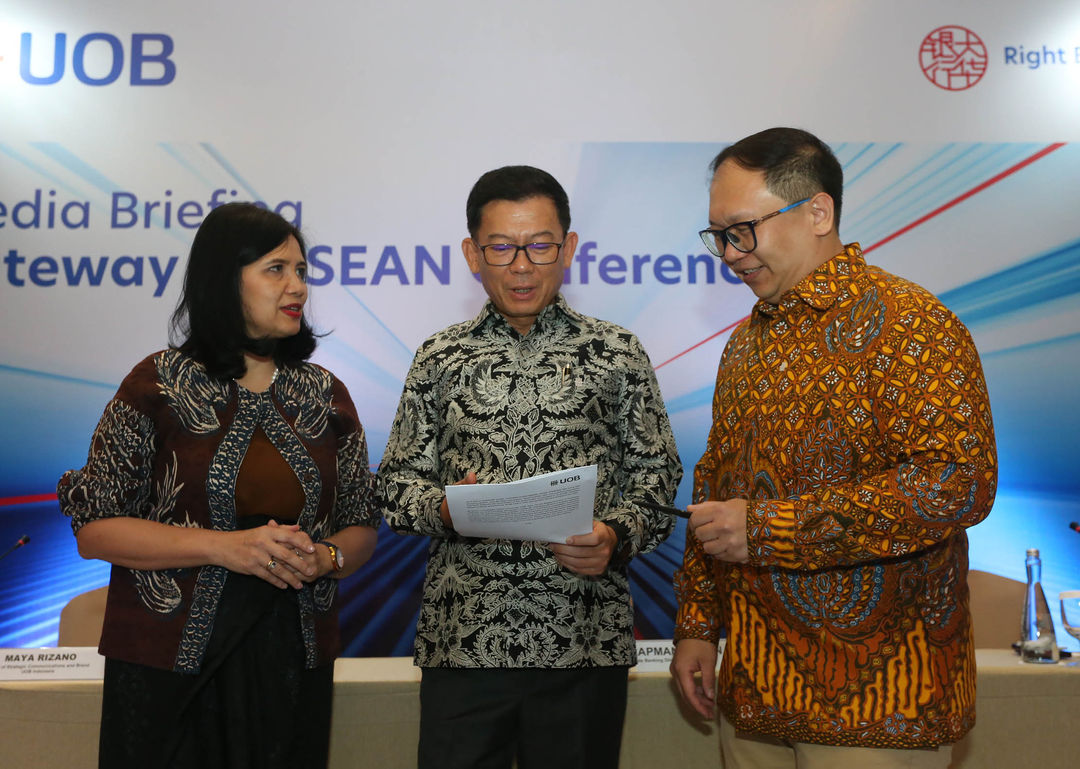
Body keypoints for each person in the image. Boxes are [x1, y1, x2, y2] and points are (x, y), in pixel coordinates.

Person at [671, 128, 997, 768]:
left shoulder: (910, 321)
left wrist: (770, 531)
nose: (730, 254)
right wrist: (697, 626)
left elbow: (957, 481)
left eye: (743, 230)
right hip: (756, 690)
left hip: (879, 706)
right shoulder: (746, 343)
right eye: (718, 235)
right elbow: (715, 490)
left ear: (817, 212)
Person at [376, 165, 683, 769]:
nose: (521, 266)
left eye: (540, 245)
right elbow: (394, 486)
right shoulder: (440, 356)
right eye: (502, 247)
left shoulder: (615, 352)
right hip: (463, 641)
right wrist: (442, 506)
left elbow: (657, 479)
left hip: (582, 640)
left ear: (568, 248)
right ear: (472, 253)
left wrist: (615, 536)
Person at [57, 202, 380, 769]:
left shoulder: (326, 394)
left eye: (302, 270)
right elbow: (96, 531)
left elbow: (359, 525)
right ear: (224, 280)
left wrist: (327, 557)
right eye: (276, 269)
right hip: (167, 665)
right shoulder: (156, 383)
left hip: (290, 663)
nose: (297, 286)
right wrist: (223, 547)